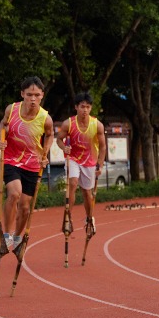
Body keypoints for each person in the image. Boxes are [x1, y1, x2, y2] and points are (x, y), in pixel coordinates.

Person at [0, 76, 54, 251]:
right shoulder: (12, 109)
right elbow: (3, 124)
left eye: (37, 95)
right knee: (14, 193)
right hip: (11, 159)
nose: (33, 99)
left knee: (25, 207)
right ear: (22, 94)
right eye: (29, 94)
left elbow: (50, 135)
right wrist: (1, 138)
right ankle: (6, 234)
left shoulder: (45, 118)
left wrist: (45, 153)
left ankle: (16, 238)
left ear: (42, 95)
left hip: (32, 163)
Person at [55, 92, 106, 233]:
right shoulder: (68, 124)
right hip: (73, 158)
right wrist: (64, 147)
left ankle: (89, 218)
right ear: (76, 107)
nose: (85, 110)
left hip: (89, 161)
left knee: (86, 193)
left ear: (91, 108)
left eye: (88, 107)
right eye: (82, 107)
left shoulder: (97, 125)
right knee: (72, 183)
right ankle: (67, 217)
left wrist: (100, 165)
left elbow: (102, 147)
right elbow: (59, 139)